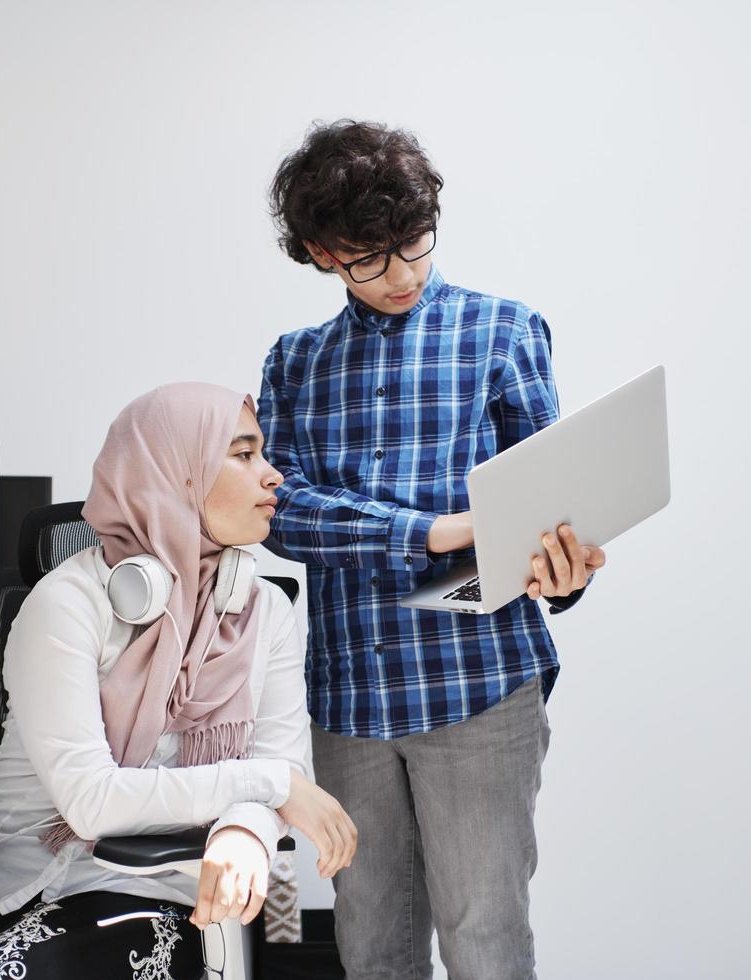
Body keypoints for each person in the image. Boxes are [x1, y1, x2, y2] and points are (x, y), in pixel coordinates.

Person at [258, 120, 608, 980]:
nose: (403, 273)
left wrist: (563, 575)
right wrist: (425, 531)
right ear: (320, 253)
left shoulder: (504, 333)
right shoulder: (295, 366)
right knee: (371, 949)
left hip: (479, 689)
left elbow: (547, 510)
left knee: (486, 945)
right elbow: (282, 514)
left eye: (415, 243)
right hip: (349, 700)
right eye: (369, 258)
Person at [0, 382, 358, 979]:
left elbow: (280, 771)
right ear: (175, 473)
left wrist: (245, 828)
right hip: (4, 887)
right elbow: (92, 802)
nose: (273, 477)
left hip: (149, 894)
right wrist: (269, 785)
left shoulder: (265, 609)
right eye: (243, 455)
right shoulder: (68, 603)